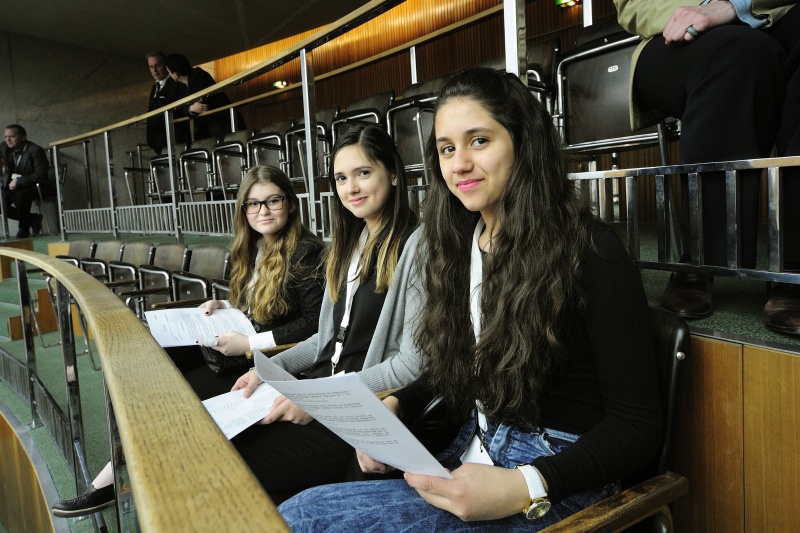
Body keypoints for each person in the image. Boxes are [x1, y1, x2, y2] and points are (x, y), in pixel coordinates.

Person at [278, 68, 663, 532]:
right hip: (476, 451)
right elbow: (462, 372)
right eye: (446, 149)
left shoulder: (593, 249)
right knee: (299, 512)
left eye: (479, 141)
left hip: (559, 483)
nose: (458, 164)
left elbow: (637, 427)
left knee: (300, 520)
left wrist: (525, 485)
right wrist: (398, 404)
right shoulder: (461, 246)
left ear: (524, 143)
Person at [51, 165, 325, 518]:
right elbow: (264, 304)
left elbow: (314, 324)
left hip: (272, 361)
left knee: (177, 393)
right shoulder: (254, 246)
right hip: (243, 349)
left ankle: (116, 482)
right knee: (154, 370)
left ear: (290, 203)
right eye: (254, 204)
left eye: (274, 201)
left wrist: (250, 342)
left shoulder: (306, 252)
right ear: (244, 209)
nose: (264, 211)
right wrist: (224, 304)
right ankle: (116, 476)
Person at [228, 124, 422, 504]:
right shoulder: (348, 243)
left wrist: (320, 400)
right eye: (341, 178)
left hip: (352, 413)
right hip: (318, 390)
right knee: (224, 431)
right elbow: (325, 339)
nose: (351, 188)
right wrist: (269, 368)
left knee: (231, 462)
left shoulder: (418, 246)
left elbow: (411, 366)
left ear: (393, 174)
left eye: (363, 173)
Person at [614, 0, 800, 335]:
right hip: (677, 37)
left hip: (776, 13)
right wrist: (703, 12)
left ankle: (795, 264)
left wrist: (736, 6)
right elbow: (631, 6)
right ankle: (700, 260)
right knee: (742, 50)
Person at [164, 53, 243, 142]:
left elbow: (203, 105)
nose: (169, 75)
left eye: (169, 72)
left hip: (225, 123)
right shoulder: (182, 85)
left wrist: (191, 108)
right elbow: (184, 108)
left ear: (176, 74)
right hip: (211, 129)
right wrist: (191, 108)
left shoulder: (198, 75)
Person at [1, 124, 52, 238]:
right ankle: (32, 218)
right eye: (6, 137)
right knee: (1, 199)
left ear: (23, 137)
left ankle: (23, 229)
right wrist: (1, 161)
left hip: (36, 185)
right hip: (15, 187)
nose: (8, 140)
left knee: (21, 196)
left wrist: (18, 181)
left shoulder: (35, 150)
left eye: (12, 136)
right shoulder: (4, 147)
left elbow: (41, 173)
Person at [145, 52, 189, 154]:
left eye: (157, 66)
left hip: (174, 139)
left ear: (165, 65)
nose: (154, 70)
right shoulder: (154, 87)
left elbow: (177, 111)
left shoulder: (176, 82)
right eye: (151, 67)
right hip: (159, 142)